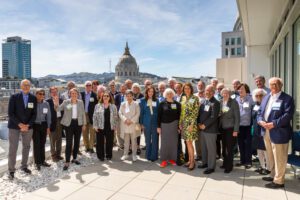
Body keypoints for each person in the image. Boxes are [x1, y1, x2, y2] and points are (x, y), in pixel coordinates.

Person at [258, 77, 294, 189]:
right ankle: (273, 174)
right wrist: (260, 121)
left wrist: (273, 124)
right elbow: (260, 111)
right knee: (270, 155)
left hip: (279, 132)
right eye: (271, 84)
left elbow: (287, 116)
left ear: (281, 85)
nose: (273, 86)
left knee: (280, 157)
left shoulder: (287, 99)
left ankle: (279, 181)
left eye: (276, 84)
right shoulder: (266, 97)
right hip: (266, 130)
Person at [7, 79, 37, 180]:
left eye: (28, 85)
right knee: (13, 148)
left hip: (28, 127)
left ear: (30, 87)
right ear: (21, 86)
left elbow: (34, 114)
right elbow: (10, 113)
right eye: (24, 85)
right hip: (15, 127)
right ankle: (11, 170)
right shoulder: (14, 97)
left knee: (26, 147)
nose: (26, 87)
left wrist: (27, 125)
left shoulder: (33, 98)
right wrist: (20, 124)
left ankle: (24, 166)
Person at [54, 88, 86, 170]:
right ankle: (67, 161)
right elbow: (57, 109)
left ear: (77, 94)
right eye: (72, 93)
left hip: (78, 124)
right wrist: (56, 103)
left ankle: (74, 158)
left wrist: (84, 124)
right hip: (69, 125)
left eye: (75, 93)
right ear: (70, 94)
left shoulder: (80, 102)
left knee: (77, 142)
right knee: (69, 143)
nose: (74, 95)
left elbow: (83, 114)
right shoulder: (66, 102)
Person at [197, 85, 220, 174]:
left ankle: (211, 167)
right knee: (204, 148)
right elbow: (199, 113)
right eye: (207, 90)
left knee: (211, 149)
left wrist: (205, 125)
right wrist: (199, 123)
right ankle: (205, 163)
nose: (208, 92)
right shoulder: (203, 101)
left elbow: (213, 117)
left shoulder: (216, 102)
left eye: (210, 91)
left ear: (213, 92)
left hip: (210, 129)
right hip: (202, 129)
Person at [157, 88, 181, 168]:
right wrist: (158, 127)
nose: (169, 95)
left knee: (173, 143)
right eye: (168, 93)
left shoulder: (177, 104)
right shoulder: (162, 104)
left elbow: (179, 116)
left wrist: (178, 127)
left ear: (173, 94)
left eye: (171, 93)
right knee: (164, 143)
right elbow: (159, 116)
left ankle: (172, 159)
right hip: (164, 125)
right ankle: (164, 160)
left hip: (174, 125)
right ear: (165, 95)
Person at [219, 88, 240, 173]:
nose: (225, 94)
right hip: (222, 128)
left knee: (229, 148)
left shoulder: (234, 102)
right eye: (223, 93)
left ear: (229, 94)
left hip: (230, 128)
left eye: (226, 93)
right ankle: (225, 163)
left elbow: (237, 117)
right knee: (224, 147)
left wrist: (236, 130)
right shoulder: (220, 102)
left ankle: (229, 166)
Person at [179, 82, 200, 170]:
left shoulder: (195, 98)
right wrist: (180, 123)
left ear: (191, 89)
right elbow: (182, 112)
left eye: (188, 88)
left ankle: (192, 162)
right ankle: (190, 160)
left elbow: (196, 113)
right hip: (184, 122)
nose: (187, 90)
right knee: (187, 143)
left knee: (190, 143)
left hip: (191, 123)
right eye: (185, 88)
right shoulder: (183, 98)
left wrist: (191, 124)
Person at [93, 91, 118, 161]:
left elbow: (116, 117)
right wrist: (95, 126)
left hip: (110, 127)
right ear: (102, 97)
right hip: (100, 127)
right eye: (104, 96)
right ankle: (100, 156)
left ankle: (108, 155)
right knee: (99, 142)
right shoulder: (97, 106)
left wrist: (115, 126)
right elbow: (94, 116)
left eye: (107, 96)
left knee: (109, 142)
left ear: (109, 97)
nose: (106, 97)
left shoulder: (113, 106)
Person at [252, 88, 270, 175]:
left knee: (265, 150)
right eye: (256, 95)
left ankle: (268, 168)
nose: (258, 97)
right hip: (256, 130)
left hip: (263, 130)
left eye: (260, 95)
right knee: (259, 150)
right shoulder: (255, 105)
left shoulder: (267, 104)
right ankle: (262, 166)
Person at [236, 83, 254, 169]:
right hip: (239, 126)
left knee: (248, 144)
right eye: (239, 89)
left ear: (246, 90)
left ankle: (248, 161)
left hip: (248, 126)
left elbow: (254, 112)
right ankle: (242, 160)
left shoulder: (250, 99)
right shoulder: (236, 99)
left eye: (242, 89)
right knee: (240, 144)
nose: (240, 90)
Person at [33, 89, 51, 170]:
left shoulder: (46, 103)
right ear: (36, 94)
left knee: (43, 144)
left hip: (44, 125)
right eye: (40, 94)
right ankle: (37, 163)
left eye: (43, 94)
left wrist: (48, 127)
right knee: (36, 144)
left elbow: (48, 116)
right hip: (35, 125)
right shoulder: (33, 103)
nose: (41, 95)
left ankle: (43, 161)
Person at [119, 90, 140, 161]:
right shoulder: (123, 104)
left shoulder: (136, 104)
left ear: (132, 96)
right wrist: (125, 120)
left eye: (130, 96)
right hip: (125, 124)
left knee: (134, 141)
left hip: (133, 124)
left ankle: (134, 155)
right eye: (127, 96)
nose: (129, 97)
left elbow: (138, 113)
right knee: (126, 141)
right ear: (125, 96)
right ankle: (125, 154)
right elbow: (120, 113)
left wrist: (131, 120)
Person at [140, 86, 159, 161]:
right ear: (146, 92)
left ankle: (154, 156)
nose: (150, 93)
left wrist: (158, 124)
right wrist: (141, 123)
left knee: (155, 140)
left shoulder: (156, 100)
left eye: (152, 91)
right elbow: (141, 113)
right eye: (149, 91)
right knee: (147, 140)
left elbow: (158, 112)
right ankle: (148, 155)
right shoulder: (143, 101)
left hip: (155, 123)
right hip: (146, 123)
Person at [47, 86, 64, 162]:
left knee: (59, 139)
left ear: (57, 92)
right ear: (50, 93)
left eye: (55, 92)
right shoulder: (47, 102)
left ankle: (58, 154)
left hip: (60, 121)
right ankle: (53, 155)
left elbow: (64, 111)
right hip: (52, 123)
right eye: (52, 92)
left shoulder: (61, 100)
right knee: (52, 140)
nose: (54, 93)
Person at [81, 81, 97, 153]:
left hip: (92, 116)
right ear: (85, 86)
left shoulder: (94, 95)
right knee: (84, 132)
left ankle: (91, 147)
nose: (88, 86)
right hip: (83, 115)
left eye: (89, 85)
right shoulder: (81, 94)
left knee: (92, 132)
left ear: (91, 86)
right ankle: (86, 147)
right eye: (87, 85)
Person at [194, 80, 206, 161]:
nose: (200, 87)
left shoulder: (207, 95)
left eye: (201, 85)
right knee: (197, 139)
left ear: (204, 86)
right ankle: (198, 155)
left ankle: (205, 154)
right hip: (195, 121)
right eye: (199, 85)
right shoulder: (194, 96)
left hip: (205, 121)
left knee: (204, 139)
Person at [132, 83, 144, 155]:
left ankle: (138, 147)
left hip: (138, 118)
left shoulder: (142, 96)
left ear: (139, 89)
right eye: (134, 88)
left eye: (137, 88)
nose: (135, 89)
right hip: (131, 118)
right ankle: (131, 147)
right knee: (131, 132)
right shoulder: (130, 95)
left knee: (137, 133)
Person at [114, 84, 127, 150]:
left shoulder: (128, 96)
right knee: (118, 131)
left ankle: (126, 144)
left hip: (126, 116)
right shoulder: (117, 96)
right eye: (122, 89)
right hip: (119, 115)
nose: (123, 90)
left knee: (125, 131)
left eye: (124, 89)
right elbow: (115, 105)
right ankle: (120, 144)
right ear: (120, 89)